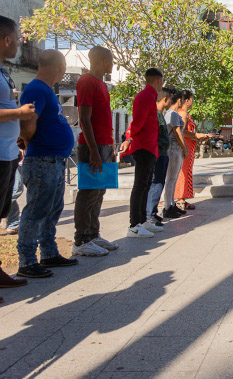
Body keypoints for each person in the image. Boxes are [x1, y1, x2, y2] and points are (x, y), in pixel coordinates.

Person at [16, 49, 77, 277]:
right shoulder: (36, 89)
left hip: (54, 160)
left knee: (52, 209)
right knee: (36, 210)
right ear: (59, 66)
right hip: (42, 159)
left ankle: (49, 252)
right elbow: (28, 124)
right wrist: (30, 140)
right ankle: (27, 260)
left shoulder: (46, 90)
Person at [72, 46, 120, 257]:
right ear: (102, 60)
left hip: (104, 145)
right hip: (92, 146)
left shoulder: (102, 84)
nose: (112, 64)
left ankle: (93, 234)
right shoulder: (86, 82)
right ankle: (80, 240)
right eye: (110, 61)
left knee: (100, 192)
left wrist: (110, 147)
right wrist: (93, 150)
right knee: (89, 192)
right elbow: (84, 118)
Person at [0, 16, 32, 297]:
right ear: (6, 39)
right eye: (18, 35)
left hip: (8, 152)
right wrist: (20, 114)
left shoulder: (3, 72)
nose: (22, 40)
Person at [120, 68, 164, 238]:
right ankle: (134, 225)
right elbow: (137, 122)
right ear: (158, 80)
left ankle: (143, 220)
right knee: (140, 185)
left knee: (145, 185)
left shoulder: (150, 96)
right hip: (143, 147)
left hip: (150, 146)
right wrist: (129, 138)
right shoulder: (145, 96)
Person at [145, 87, 178, 228]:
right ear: (165, 99)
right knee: (156, 184)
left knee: (160, 183)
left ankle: (153, 213)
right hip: (158, 153)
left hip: (163, 152)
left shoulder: (160, 114)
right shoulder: (155, 114)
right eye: (170, 99)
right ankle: (149, 216)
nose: (170, 102)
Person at [175, 90, 210, 211]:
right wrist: (196, 136)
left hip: (189, 146)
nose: (192, 102)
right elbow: (181, 131)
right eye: (192, 99)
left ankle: (183, 198)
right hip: (185, 146)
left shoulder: (183, 114)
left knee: (186, 171)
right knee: (183, 173)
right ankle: (180, 200)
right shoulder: (182, 114)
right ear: (187, 100)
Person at [163, 90, 187, 219]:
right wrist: (185, 148)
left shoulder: (170, 114)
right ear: (179, 100)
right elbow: (177, 133)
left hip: (174, 149)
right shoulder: (172, 114)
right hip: (173, 149)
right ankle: (167, 207)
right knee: (171, 179)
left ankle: (171, 204)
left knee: (173, 179)